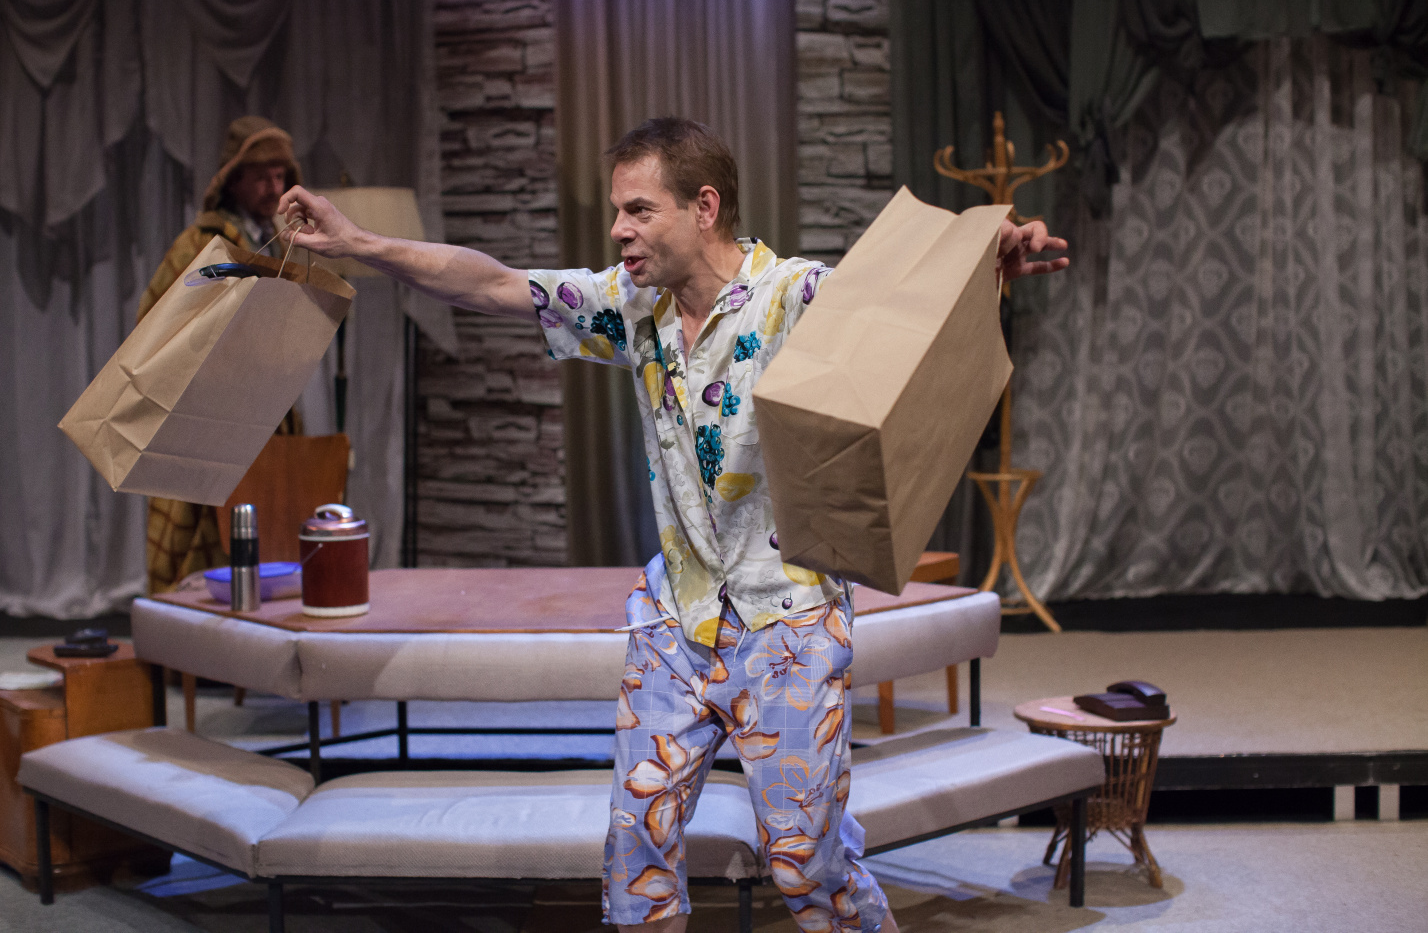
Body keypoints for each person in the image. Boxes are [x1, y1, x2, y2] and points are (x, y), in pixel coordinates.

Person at [278, 117, 1068, 932]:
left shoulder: (794, 297)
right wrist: (358, 242)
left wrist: (987, 258)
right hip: (676, 621)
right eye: (617, 210)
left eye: (639, 210)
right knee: (636, 850)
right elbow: (491, 284)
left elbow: (903, 303)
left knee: (807, 864)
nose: (618, 229)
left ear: (704, 207)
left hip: (787, 624)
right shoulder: (632, 308)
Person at [140, 115, 305, 595]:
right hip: (207, 414)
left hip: (265, 412)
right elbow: (155, 321)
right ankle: (191, 631)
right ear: (233, 180)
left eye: (279, 176)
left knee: (267, 527)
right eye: (260, 176)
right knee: (199, 535)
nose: (272, 187)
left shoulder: (282, 244)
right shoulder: (201, 245)